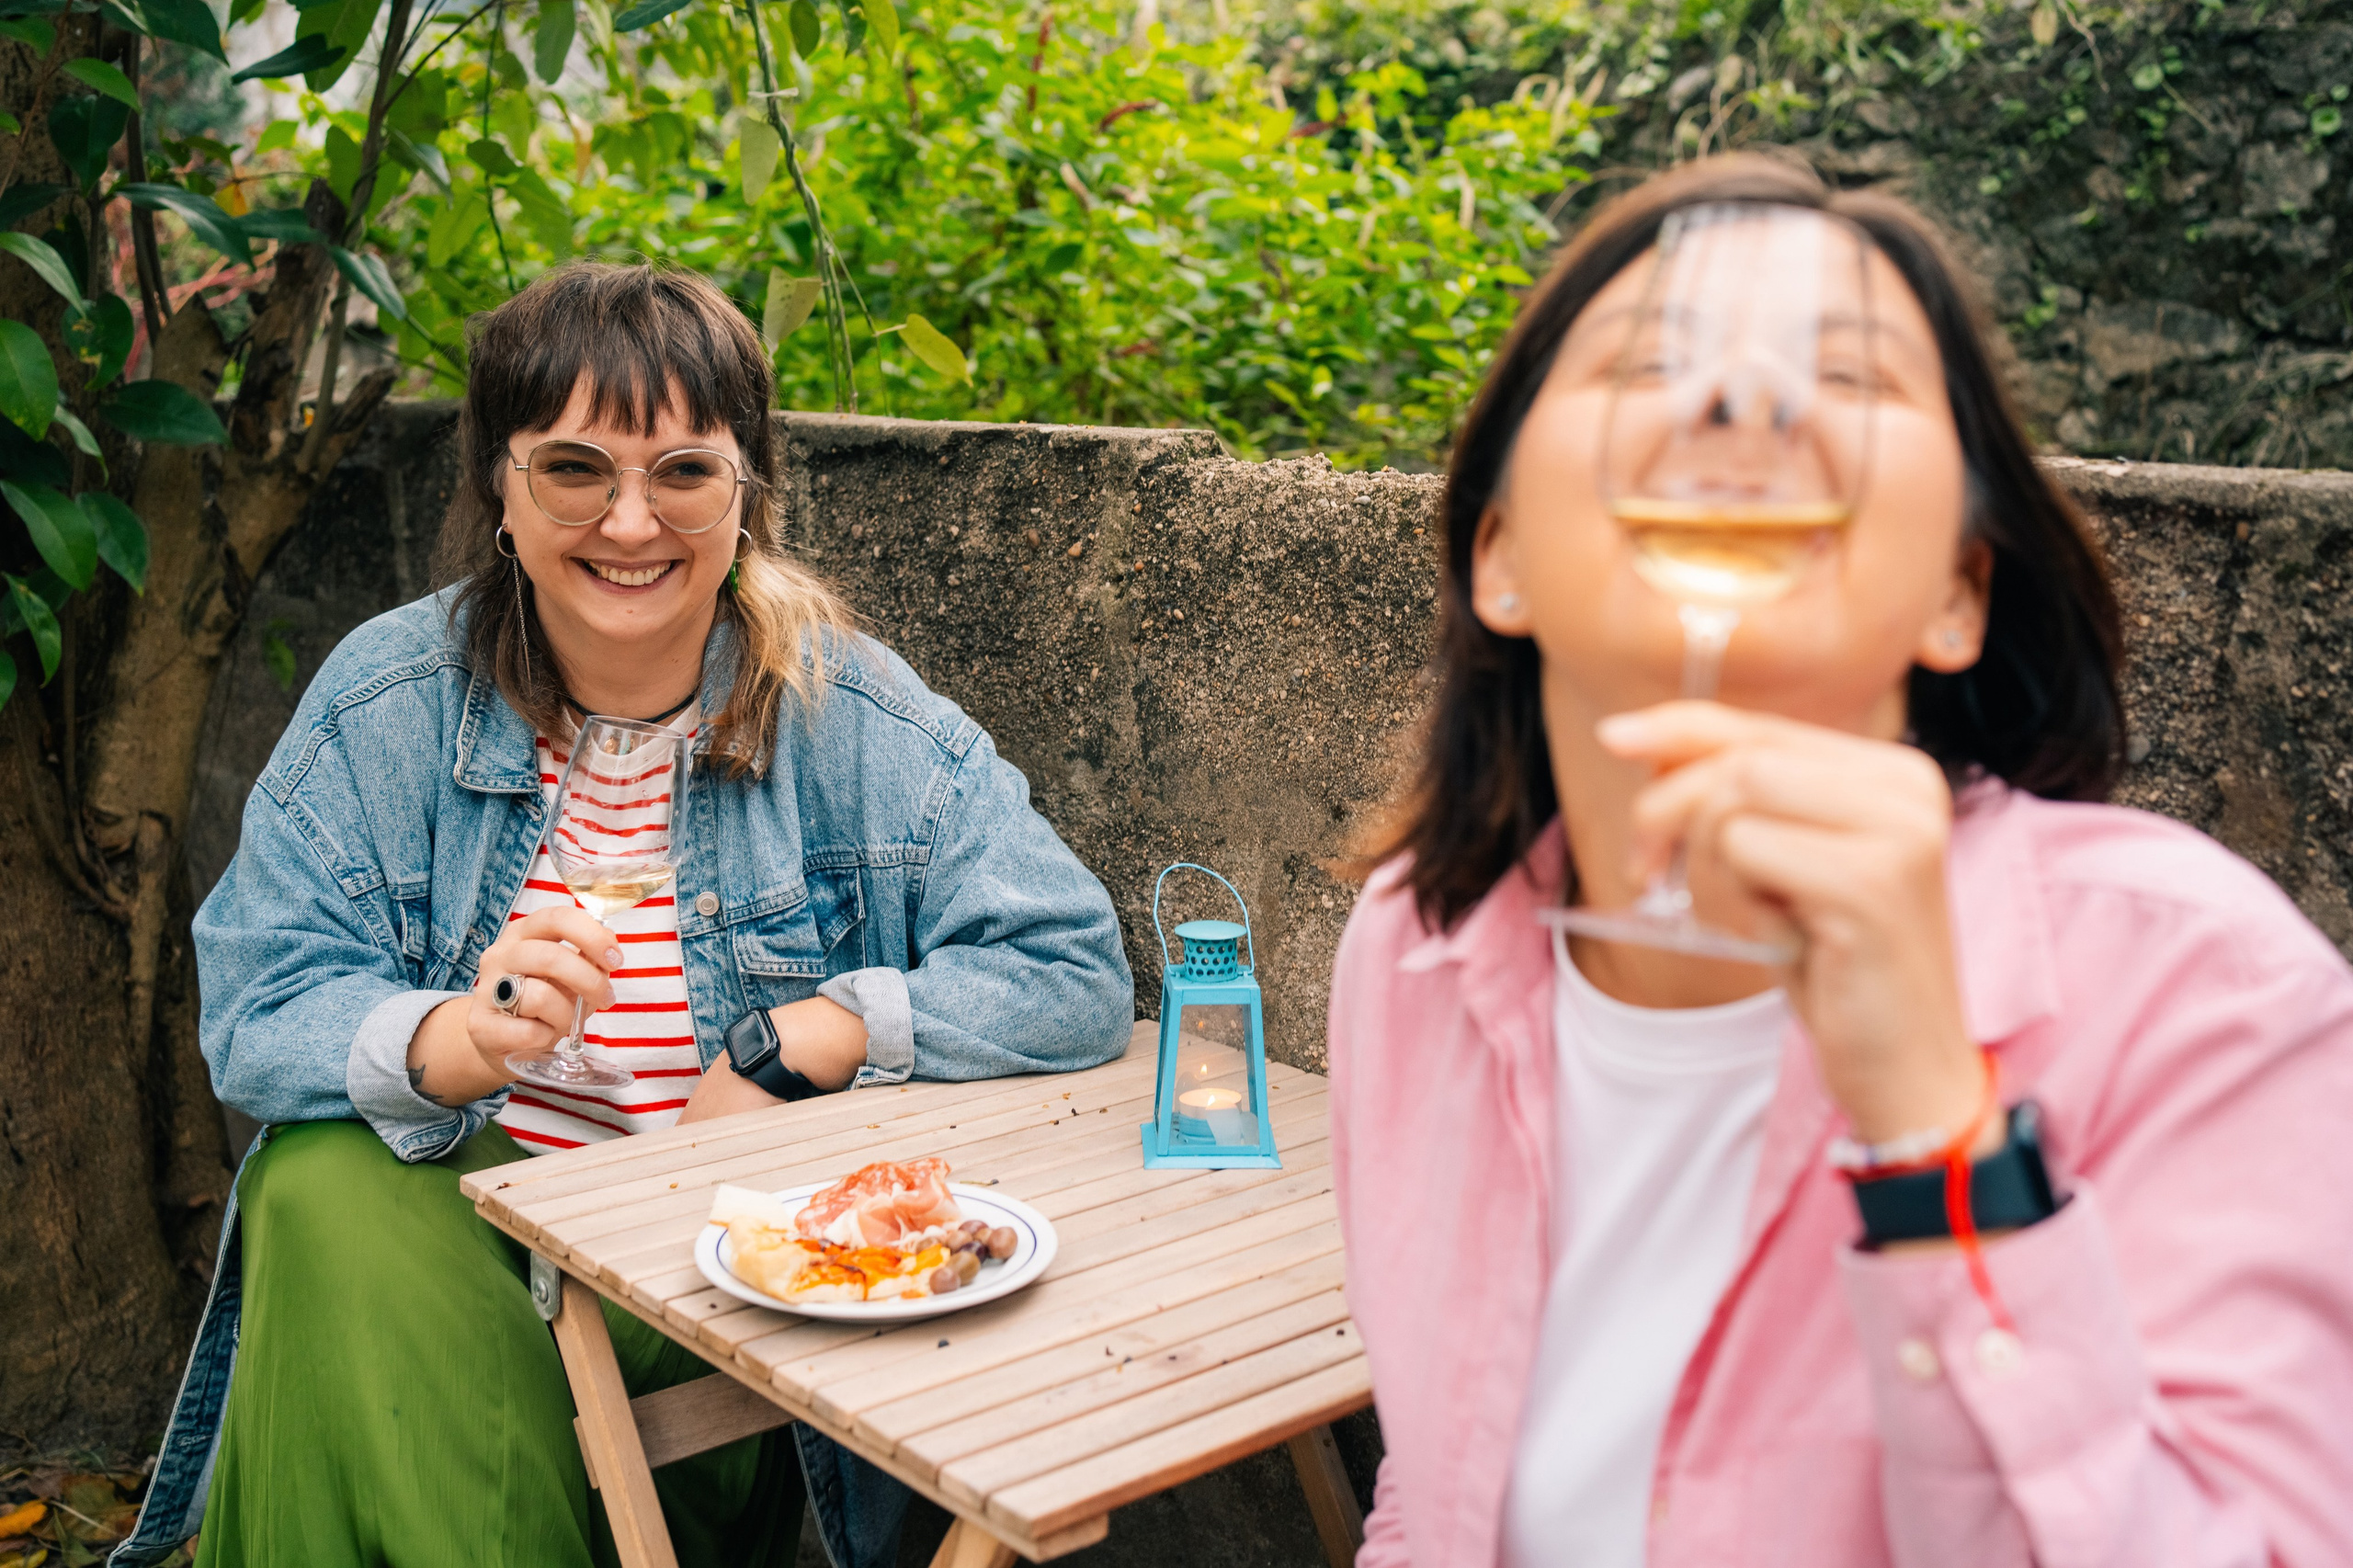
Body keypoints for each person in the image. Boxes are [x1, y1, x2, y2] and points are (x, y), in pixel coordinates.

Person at [1327, 153, 2353, 1567]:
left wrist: (1939, 1133)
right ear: (1497, 554)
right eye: (1649, 363)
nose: (1743, 404)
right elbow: (1432, 1498)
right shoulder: (1412, 947)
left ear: (1956, 588)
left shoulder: (2212, 993)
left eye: (1852, 378)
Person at [114, 262, 1134, 1568]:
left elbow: (1069, 961)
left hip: (696, 1288)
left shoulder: (843, 713)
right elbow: (257, 1006)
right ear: (503, 486)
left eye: (685, 473)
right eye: (577, 468)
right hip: (451, 1244)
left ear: (748, 491)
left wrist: (801, 1036)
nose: (632, 521)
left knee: (332, 1248)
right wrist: (455, 1040)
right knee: (324, 1186)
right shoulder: (390, 700)